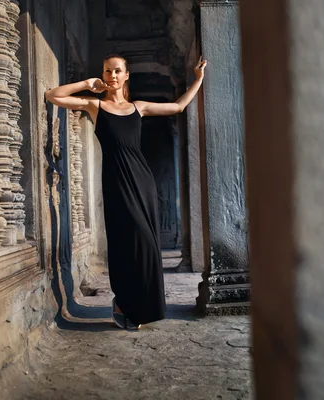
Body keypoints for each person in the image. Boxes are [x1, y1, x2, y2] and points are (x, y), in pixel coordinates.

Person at [45, 54, 207, 330]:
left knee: (146, 243)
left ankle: (141, 307)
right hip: (116, 182)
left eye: (117, 71)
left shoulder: (138, 107)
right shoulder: (95, 105)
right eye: (107, 71)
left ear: (126, 75)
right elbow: (52, 95)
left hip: (142, 181)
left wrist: (198, 79)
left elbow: (178, 107)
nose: (112, 76)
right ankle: (123, 303)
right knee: (124, 243)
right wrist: (86, 83)